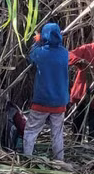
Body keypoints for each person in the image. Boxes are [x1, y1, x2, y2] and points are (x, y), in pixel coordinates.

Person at [23, 23, 69, 161]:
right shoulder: (64, 53)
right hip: (60, 102)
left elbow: (30, 57)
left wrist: (37, 42)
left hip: (42, 101)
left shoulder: (40, 53)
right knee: (57, 133)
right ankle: (59, 160)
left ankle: (27, 158)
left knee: (31, 131)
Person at [68, 30, 94, 139]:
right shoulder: (87, 48)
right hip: (82, 91)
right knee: (78, 122)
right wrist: (79, 61)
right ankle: (76, 143)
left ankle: (93, 144)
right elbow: (69, 55)